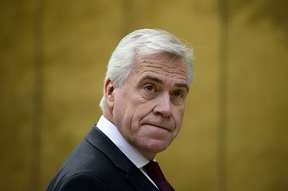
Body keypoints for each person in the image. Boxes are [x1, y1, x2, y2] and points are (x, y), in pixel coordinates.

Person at [46, 29, 194, 191]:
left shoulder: (137, 167)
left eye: (177, 94)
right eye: (150, 88)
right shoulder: (87, 182)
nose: (165, 109)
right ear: (111, 91)